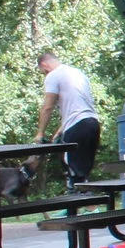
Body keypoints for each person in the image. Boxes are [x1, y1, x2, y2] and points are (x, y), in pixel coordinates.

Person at [32, 49, 102, 184]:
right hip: (92, 123)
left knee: (73, 173)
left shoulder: (53, 76)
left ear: (44, 65)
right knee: (83, 173)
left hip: (77, 127)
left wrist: (40, 134)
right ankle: (90, 203)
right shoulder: (78, 74)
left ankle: (78, 201)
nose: (45, 74)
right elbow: (77, 106)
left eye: (43, 71)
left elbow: (48, 107)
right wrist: (60, 130)